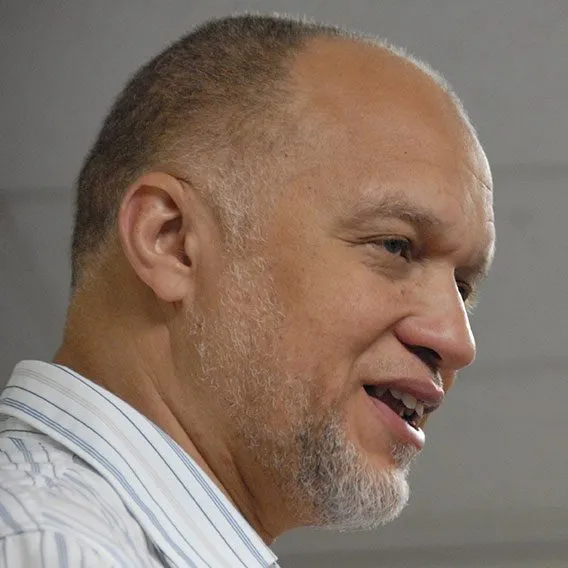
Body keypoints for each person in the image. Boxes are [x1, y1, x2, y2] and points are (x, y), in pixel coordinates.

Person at [0, 13, 495, 568]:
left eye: (463, 285)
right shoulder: (50, 546)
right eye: (395, 246)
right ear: (172, 241)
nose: (458, 342)